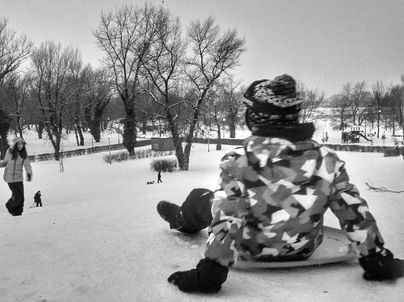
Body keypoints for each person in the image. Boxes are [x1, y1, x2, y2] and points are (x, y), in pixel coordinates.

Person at [162, 74, 403, 293]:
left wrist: (210, 274)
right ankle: (185, 217)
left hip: (250, 249)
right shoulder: (326, 160)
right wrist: (377, 261)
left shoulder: (239, 161)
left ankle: (183, 218)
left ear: (254, 118)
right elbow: (354, 212)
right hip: (303, 247)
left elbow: (228, 218)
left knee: (203, 198)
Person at [0, 137, 33, 216]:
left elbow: (27, 165)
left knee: (21, 198)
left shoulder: (24, 154)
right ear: (15, 145)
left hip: (19, 178)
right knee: (17, 196)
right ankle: (9, 206)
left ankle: (18, 213)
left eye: (21, 144)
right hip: (10, 178)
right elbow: (4, 162)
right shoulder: (9, 153)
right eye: (18, 144)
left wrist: (29, 173)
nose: (20, 146)